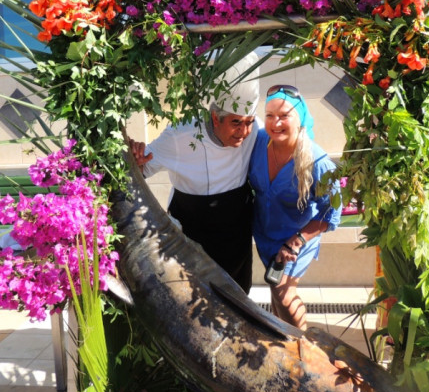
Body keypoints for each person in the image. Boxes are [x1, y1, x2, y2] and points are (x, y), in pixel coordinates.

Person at [129, 53, 260, 294]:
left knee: (238, 296)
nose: (244, 132)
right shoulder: (181, 135)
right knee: (191, 296)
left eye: (249, 122)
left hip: (235, 229)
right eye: (236, 123)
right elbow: (142, 168)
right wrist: (135, 155)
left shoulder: (255, 130)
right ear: (215, 118)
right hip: (191, 227)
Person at [248, 84, 341, 330]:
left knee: (284, 294)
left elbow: (331, 212)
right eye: (269, 115)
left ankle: (303, 345)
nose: (275, 122)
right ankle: (283, 340)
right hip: (265, 235)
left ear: (299, 119)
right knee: (275, 287)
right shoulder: (258, 142)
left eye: (284, 116)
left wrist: (297, 240)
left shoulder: (317, 160)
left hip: (297, 237)